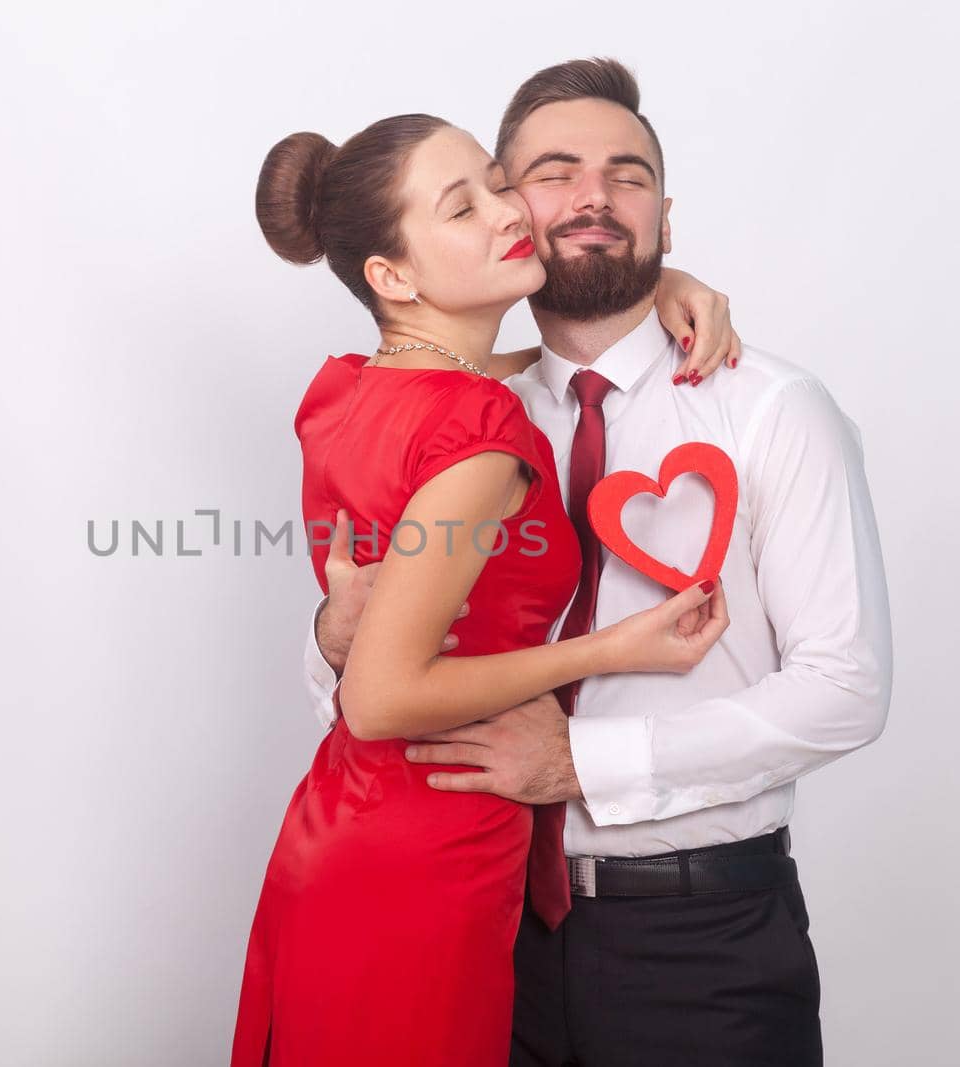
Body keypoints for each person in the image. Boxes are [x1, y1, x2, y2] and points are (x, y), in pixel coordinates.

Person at [304, 58, 894, 1066]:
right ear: (506, 206)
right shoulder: (460, 415)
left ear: (664, 213)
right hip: (478, 923)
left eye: (626, 175)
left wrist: (583, 764)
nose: (592, 195)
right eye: (553, 171)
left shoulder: (771, 409)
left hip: (699, 943)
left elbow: (844, 688)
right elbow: (355, 688)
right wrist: (330, 635)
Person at [230, 102, 741, 1065]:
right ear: (391, 274)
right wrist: (613, 649)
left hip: (343, 829)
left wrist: (657, 279)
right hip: (428, 849)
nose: (510, 212)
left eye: (499, 185)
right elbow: (381, 698)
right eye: (462, 207)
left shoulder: (350, 388)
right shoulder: (479, 434)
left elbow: (508, 361)